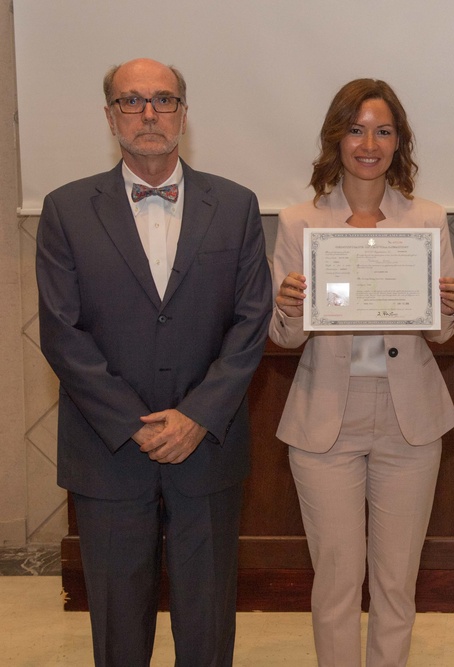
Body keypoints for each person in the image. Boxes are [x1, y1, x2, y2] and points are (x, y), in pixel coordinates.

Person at [35, 58, 272, 666]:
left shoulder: (236, 205)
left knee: (208, 625)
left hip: (207, 448)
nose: (148, 113)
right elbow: (62, 333)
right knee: (117, 627)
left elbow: (250, 322)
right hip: (109, 452)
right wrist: (136, 425)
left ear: (184, 114)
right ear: (110, 115)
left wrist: (195, 416)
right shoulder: (65, 209)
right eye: (131, 101)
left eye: (163, 100)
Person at [269, 79, 454, 667]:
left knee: (396, 586)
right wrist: (288, 305)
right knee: (334, 583)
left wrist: (448, 307)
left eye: (382, 130)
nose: (369, 143)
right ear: (336, 138)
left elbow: (442, 333)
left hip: (409, 421)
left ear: (398, 141)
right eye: (356, 129)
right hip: (326, 417)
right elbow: (285, 338)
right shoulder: (299, 221)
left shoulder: (428, 218)